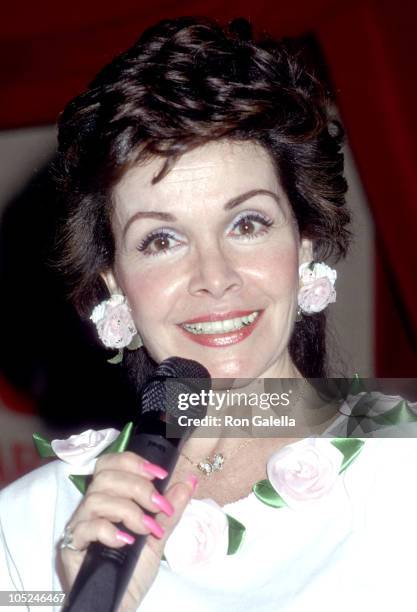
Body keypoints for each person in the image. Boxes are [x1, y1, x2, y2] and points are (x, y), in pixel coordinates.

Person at [1, 15, 417, 612]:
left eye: (247, 224)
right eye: (161, 240)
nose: (214, 278)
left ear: (303, 245)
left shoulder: (406, 472)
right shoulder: (31, 530)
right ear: (114, 283)